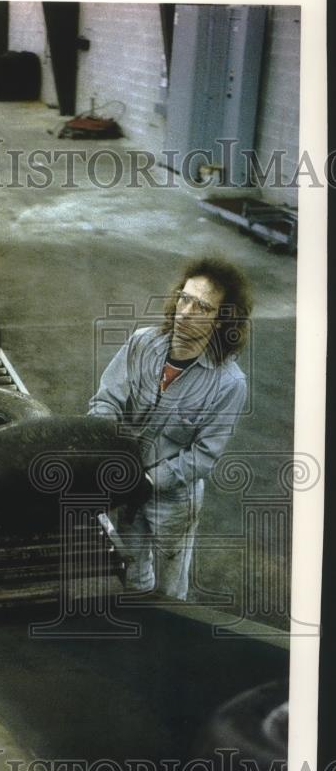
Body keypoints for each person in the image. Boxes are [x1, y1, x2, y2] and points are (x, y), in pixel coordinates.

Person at [89, 256, 251, 600]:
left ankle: (166, 636)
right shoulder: (142, 344)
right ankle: (136, 612)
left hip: (175, 497)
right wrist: (106, 454)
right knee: (130, 563)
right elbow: (106, 401)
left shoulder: (229, 384)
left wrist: (149, 482)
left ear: (222, 322)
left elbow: (204, 456)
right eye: (184, 297)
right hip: (125, 480)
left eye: (202, 307)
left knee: (170, 583)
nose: (185, 312)